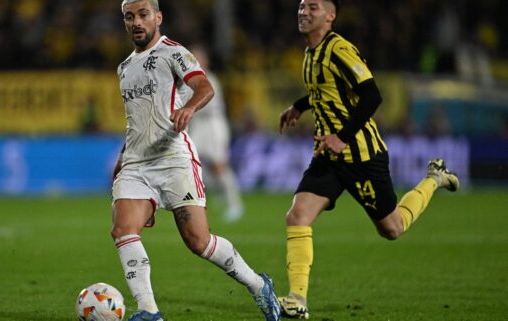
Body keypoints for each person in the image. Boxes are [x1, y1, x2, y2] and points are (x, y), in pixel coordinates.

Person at [277, 0, 460, 319]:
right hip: (328, 155)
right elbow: (326, 91)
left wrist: (342, 137)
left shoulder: (339, 49)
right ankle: (297, 300)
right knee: (297, 216)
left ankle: (434, 178)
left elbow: (372, 95)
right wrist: (299, 106)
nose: (304, 11)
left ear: (330, 16)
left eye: (313, 7)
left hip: (362, 155)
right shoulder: (310, 53)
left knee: (392, 228)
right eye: (302, 6)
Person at [111, 1, 281, 321]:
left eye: (143, 15)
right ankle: (149, 310)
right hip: (136, 163)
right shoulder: (124, 68)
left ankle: (258, 285)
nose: (137, 22)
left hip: (174, 159)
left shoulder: (173, 52)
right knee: (123, 229)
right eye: (129, 17)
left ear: (158, 18)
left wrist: (189, 107)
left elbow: (204, 86)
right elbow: (136, 121)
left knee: (198, 242)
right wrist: (122, 158)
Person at [187, 44, 245, 223]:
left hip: (213, 124)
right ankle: (217, 192)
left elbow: (202, 103)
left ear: (205, 61)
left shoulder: (209, 79)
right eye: (192, 58)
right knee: (191, 163)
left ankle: (236, 204)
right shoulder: (190, 80)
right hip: (198, 125)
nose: (194, 62)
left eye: (198, 58)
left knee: (219, 164)